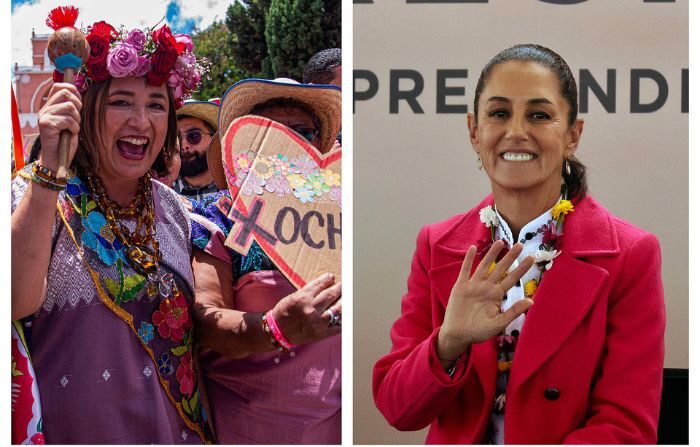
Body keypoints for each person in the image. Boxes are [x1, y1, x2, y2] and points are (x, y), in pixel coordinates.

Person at [373, 44, 665, 444]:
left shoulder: (631, 254)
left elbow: (626, 428)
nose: (515, 132)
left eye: (539, 115)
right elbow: (398, 409)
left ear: (573, 135)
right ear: (475, 131)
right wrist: (448, 342)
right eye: (498, 114)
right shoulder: (436, 245)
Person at [11, 13, 213, 444]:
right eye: (121, 101)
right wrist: (49, 171)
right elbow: (11, 299)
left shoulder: (176, 211)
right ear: (83, 112)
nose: (141, 122)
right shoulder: (37, 193)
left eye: (156, 105)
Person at [190, 78, 342, 444]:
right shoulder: (216, 219)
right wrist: (275, 328)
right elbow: (206, 319)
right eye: (270, 130)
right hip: (246, 429)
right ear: (246, 146)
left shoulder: (346, 217)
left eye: (301, 131)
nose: (287, 142)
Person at [173, 99, 221, 201]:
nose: (184, 145)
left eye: (194, 136)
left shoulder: (237, 187)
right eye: (177, 138)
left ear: (214, 140)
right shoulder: (161, 192)